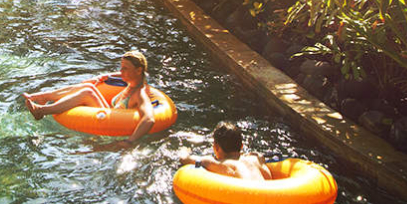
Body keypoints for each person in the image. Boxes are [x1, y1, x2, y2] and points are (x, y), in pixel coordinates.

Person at [23, 51, 155, 146]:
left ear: (138, 70)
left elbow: (149, 119)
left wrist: (130, 141)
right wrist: (105, 76)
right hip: (111, 112)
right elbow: (124, 74)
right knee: (88, 86)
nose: (121, 72)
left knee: (88, 92)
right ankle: (43, 97)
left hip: (110, 123)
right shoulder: (132, 82)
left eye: (125, 69)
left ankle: (42, 111)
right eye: (121, 68)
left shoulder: (140, 94)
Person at [178, 121, 272, 180]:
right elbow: (259, 156)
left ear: (216, 148)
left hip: (251, 203)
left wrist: (184, 150)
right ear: (241, 146)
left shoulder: (220, 163)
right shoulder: (254, 159)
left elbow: (184, 159)